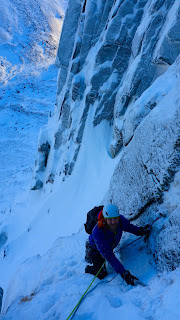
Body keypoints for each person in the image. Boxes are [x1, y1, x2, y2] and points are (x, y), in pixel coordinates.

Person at [85, 204, 151, 285]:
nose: (113, 222)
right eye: (110, 219)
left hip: (108, 245)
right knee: (102, 273)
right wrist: (124, 274)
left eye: (115, 219)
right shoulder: (98, 232)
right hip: (95, 249)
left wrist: (140, 231)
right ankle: (88, 266)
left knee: (106, 256)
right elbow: (110, 256)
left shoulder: (120, 220)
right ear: (105, 219)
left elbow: (129, 227)